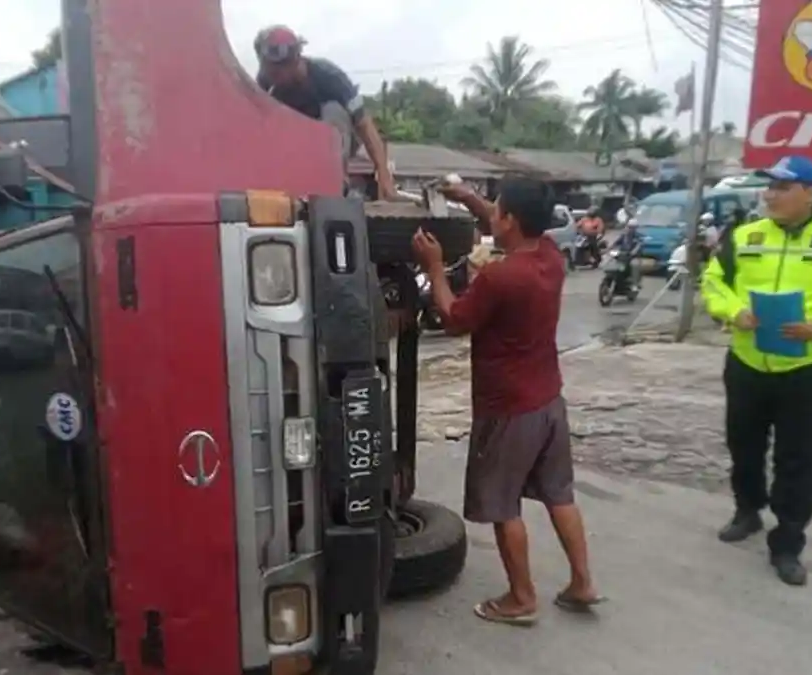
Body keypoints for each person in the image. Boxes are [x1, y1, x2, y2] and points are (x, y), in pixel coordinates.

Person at [417, 177, 600, 625]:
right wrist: (472, 201)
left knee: (502, 505)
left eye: (497, 209)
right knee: (560, 495)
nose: (492, 214)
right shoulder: (551, 258)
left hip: (508, 408)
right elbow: (509, 229)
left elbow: (456, 319)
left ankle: (520, 597)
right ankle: (582, 582)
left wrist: (435, 268)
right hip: (548, 400)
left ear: (511, 220)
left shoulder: (500, 277)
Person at [701, 155, 812, 586]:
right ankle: (747, 510)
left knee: (798, 457)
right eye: (769, 187)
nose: (771, 195)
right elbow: (712, 281)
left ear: (810, 193)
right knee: (743, 444)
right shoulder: (744, 236)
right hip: (747, 361)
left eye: (782, 188)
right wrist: (734, 311)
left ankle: (788, 541)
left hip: (807, 367)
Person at [253, 25, 398, 200]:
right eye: (268, 71)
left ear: (294, 62)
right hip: (302, 140)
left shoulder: (329, 77)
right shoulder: (266, 80)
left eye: (275, 73)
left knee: (333, 110)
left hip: (339, 134)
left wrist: (383, 173)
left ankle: (336, 182)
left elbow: (365, 125)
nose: (271, 77)